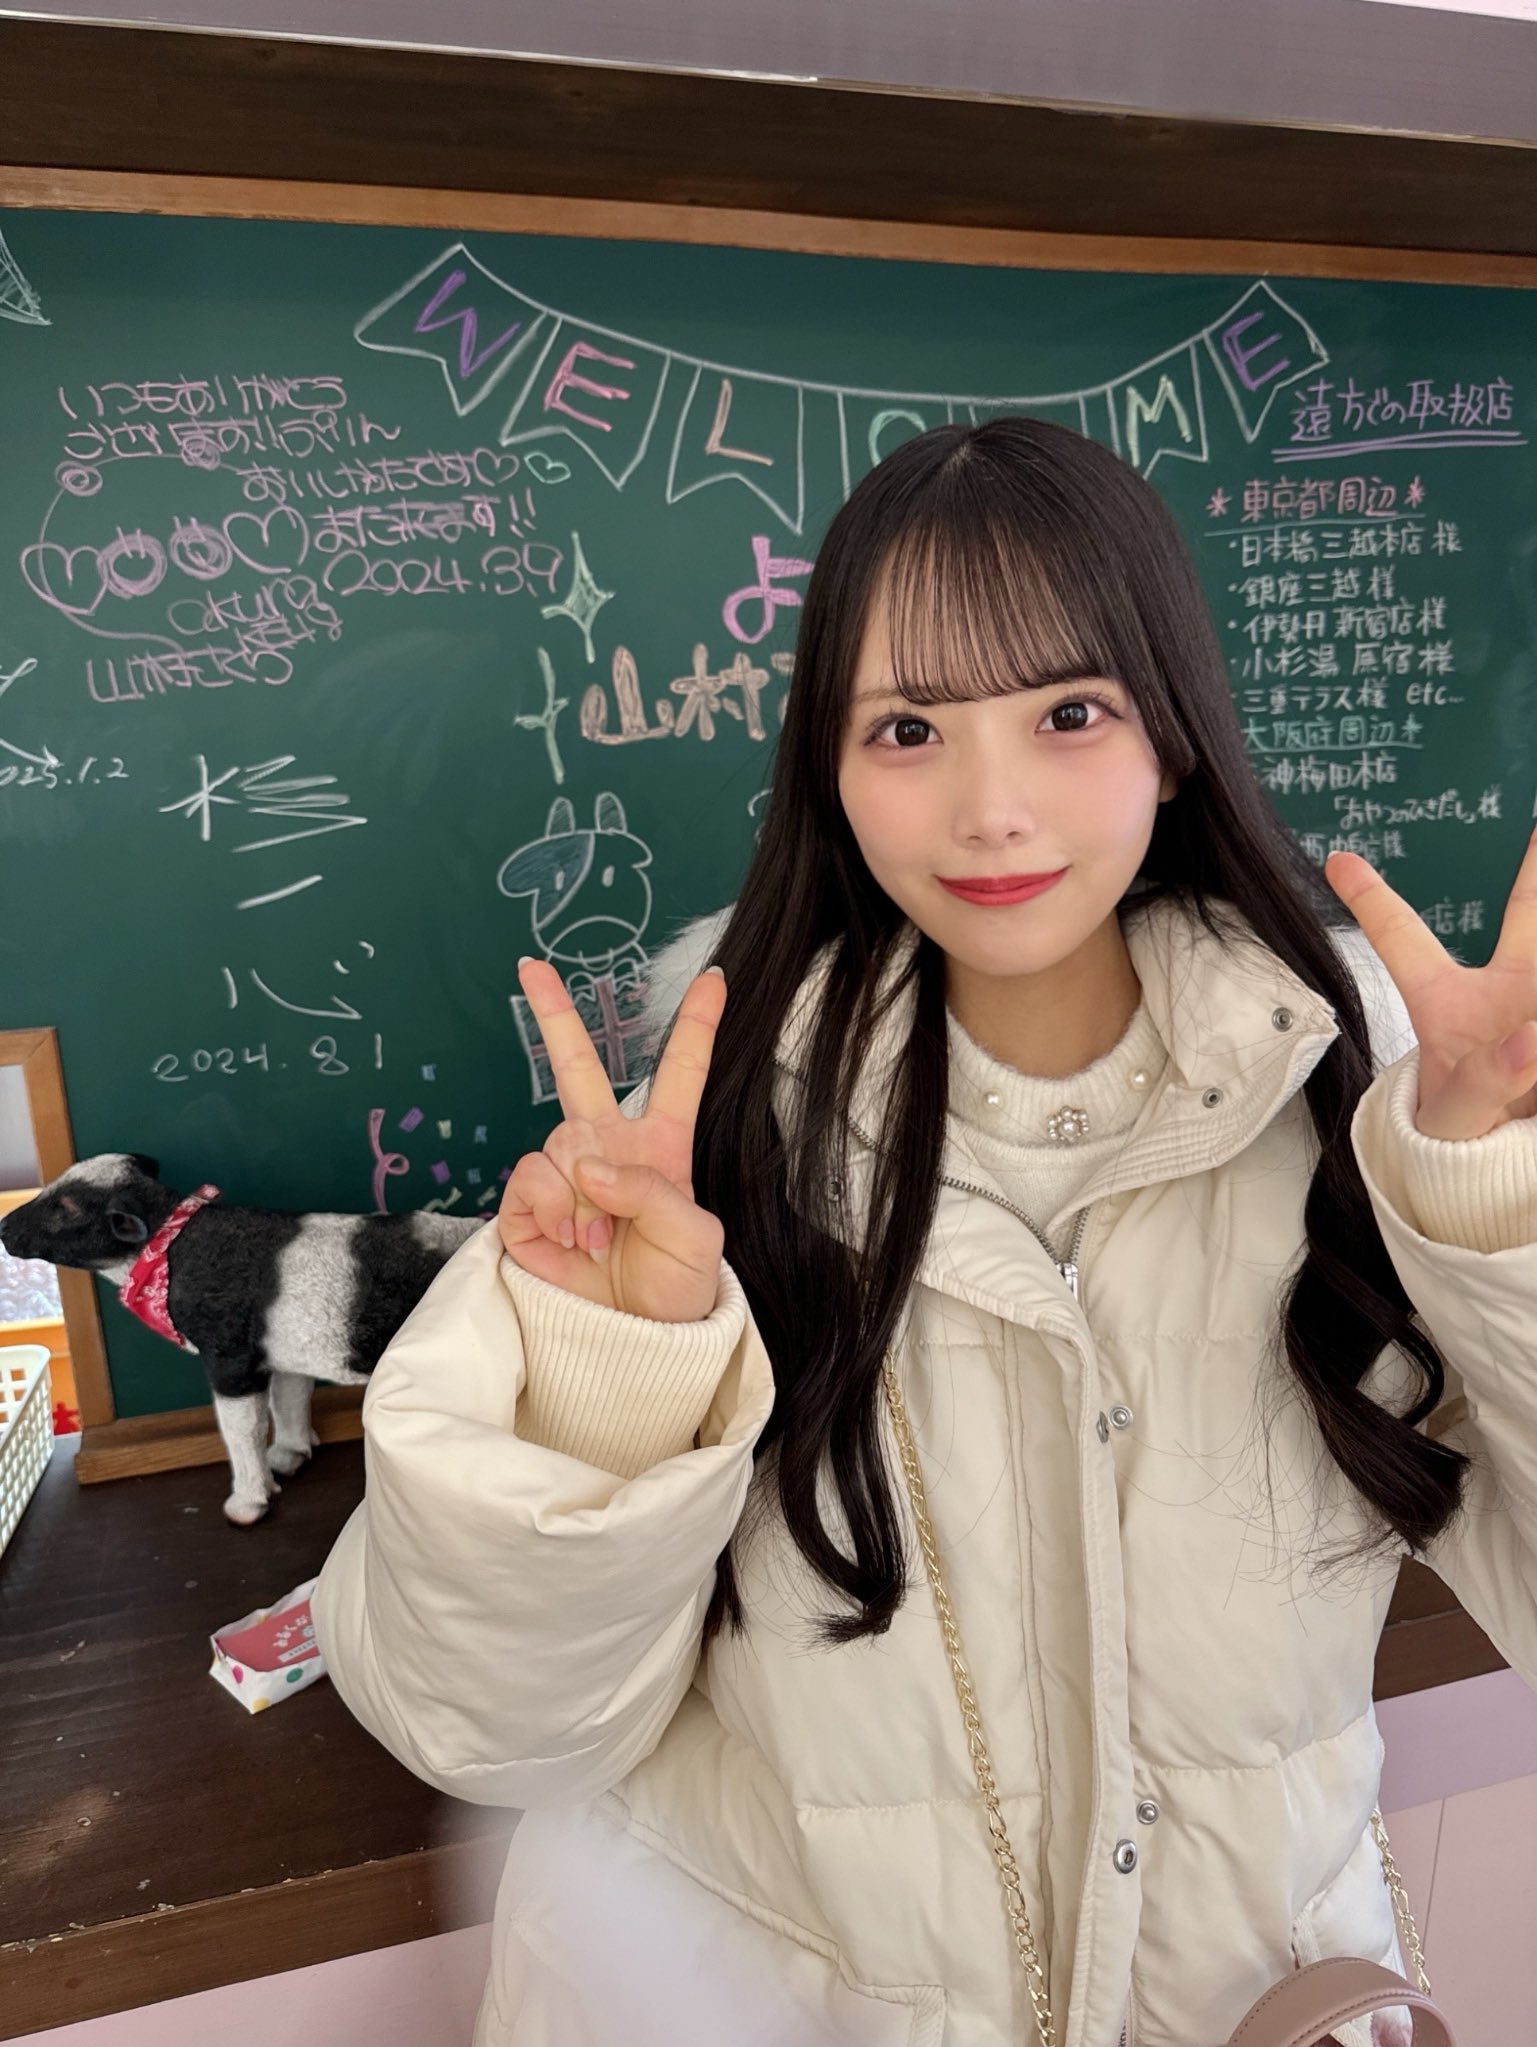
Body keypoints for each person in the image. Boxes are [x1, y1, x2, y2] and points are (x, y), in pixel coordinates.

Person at [311, 417, 1537, 2047]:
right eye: (905, 729)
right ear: (825, 764)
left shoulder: (1353, 1114)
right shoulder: (692, 1151)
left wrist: (1485, 1206)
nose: (990, 811)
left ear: (1172, 737)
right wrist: (609, 1378)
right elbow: (490, 1734)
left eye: (1069, 713)